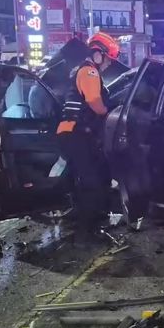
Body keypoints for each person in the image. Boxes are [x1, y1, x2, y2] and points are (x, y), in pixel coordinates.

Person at [56, 32, 120, 232]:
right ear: (97, 54)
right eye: (108, 59)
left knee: (87, 176)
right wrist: (109, 111)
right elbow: (96, 104)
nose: (109, 64)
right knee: (90, 181)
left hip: (73, 132)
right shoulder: (89, 72)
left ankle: (84, 219)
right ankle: (87, 230)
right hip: (76, 133)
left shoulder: (81, 70)